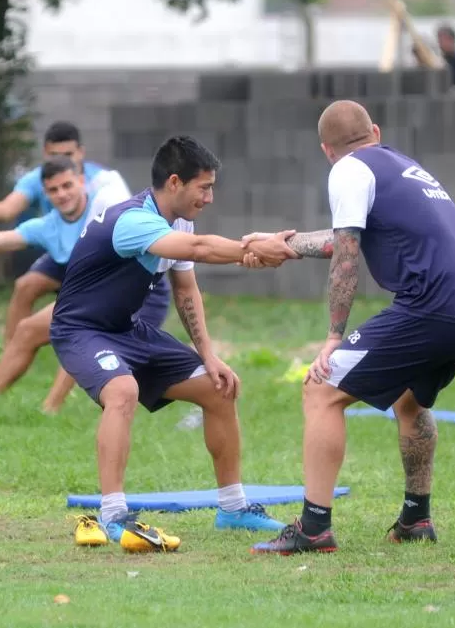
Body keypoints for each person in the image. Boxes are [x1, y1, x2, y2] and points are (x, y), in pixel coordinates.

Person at [249, 100, 455, 555]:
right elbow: (345, 237)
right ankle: (416, 518)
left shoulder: (347, 170)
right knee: (410, 401)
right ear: (375, 132)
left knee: (321, 389)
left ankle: (314, 527)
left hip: (430, 307)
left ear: (326, 150)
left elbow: (345, 256)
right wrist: (283, 244)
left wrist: (333, 338)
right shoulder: (401, 166)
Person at [47, 135, 299, 552]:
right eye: (205, 187)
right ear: (176, 182)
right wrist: (250, 249)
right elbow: (199, 249)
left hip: (127, 329)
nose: (210, 197)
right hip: (81, 331)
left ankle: (233, 509)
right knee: (122, 390)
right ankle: (112, 514)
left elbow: (185, 290)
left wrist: (209, 356)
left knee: (219, 388)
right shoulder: (132, 220)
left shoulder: (179, 220)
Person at [0, 155, 170, 412]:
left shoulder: (108, 207)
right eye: (53, 190)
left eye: (67, 186)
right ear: (45, 194)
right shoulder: (49, 225)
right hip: (96, 296)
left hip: (143, 294)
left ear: (82, 181)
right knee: (28, 329)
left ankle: (50, 409)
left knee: (87, 334)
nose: (62, 194)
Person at [0, 121, 107, 344]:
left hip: (96, 259)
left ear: (81, 153)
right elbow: (6, 210)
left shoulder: (102, 181)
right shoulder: (37, 179)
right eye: (55, 155)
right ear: (45, 153)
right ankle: (8, 356)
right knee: (25, 285)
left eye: (69, 154)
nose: (62, 160)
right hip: (61, 252)